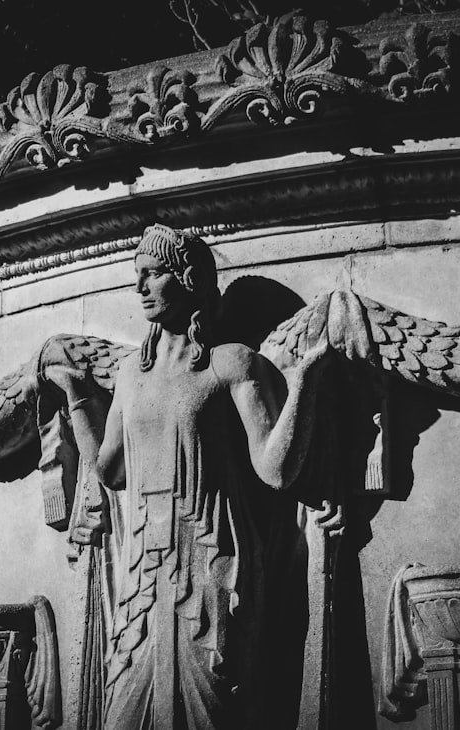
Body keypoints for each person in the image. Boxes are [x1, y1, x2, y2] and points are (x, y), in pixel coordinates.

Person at [49, 224, 327, 729]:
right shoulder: (132, 374)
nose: (140, 288)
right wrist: (77, 401)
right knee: (125, 711)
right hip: (141, 570)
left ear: (190, 279)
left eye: (153, 274)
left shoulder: (232, 364)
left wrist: (306, 379)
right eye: (138, 276)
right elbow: (111, 471)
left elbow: (276, 468)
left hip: (215, 564)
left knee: (218, 709)